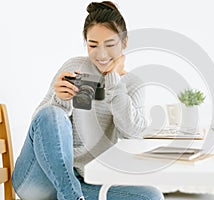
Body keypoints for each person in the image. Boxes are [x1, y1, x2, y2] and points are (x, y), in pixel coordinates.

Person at [12, 1, 164, 200]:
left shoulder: (133, 84)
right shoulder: (75, 67)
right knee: (51, 113)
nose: (101, 54)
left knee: (152, 197)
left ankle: (70, 195)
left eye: (110, 45)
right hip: (40, 178)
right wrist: (60, 99)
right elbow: (41, 123)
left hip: (86, 182)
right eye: (93, 45)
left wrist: (114, 82)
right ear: (86, 43)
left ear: (124, 42)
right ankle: (71, 196)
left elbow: (132, 134)